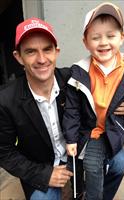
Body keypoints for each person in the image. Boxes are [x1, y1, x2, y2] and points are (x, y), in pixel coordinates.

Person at [63, 2, 124, 200]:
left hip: (114, 130)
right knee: (92, 165)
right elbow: (72, 109)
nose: (103, 42)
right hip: (90, 131)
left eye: (110, 36)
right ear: (85, 42)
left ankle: (100, 196)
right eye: (95, 37)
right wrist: (70, 138)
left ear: (122, 37)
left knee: (119, 165)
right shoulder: (79, 72)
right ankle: (88, 194)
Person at [0, 17, 73, 200]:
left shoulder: (73, 79)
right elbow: (4, 151)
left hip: (75, 153)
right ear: (19, 57)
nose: (41, 59)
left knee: (119, 161)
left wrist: (123, 101)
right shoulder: (5, 100)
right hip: (40, 163)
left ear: (56, 52)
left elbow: (113, 72)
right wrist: (43, 174)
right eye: (31, 51)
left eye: (47, 49)